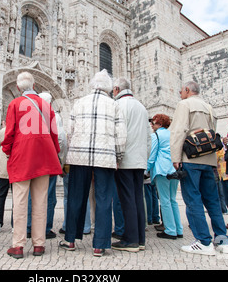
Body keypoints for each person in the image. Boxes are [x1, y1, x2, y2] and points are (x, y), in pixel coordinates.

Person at [59, 69, 127, 257]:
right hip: (105, 157)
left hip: (79, 157)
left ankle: (70, 239)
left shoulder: (79, 103)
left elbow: (70, 131)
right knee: (104, 199)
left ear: (92, 85)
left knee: (75, 197)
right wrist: (118, 157)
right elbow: (120, 135)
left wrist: (72, 151)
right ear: (107, 87)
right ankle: (100, 245)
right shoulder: (114, 105)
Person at [2, 71, 62, 259]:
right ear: (35, 86)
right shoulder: (46, 106)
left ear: (19, 88)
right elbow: (54, 134)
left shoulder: (15, 103)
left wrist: (7, 150)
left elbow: (9, 132)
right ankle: (39, 244)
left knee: (20, 201)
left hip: (22, 156)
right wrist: (55, 151)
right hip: (44, 157)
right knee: (40, 201)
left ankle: (18, 245)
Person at [170, 81, 228, 256]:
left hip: (191, 158)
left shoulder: (184, 104)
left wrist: (175, 158)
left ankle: (203, 242)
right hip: (209, 160)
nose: (180, 93)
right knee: (212, 200)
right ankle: (222, 240)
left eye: (181, 90)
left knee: (193, 199)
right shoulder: (209, 107)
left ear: (188, 90)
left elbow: (179, 131)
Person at [111, 78, 149, 252]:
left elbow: (119, 134)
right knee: (137, 199)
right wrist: (145, 160)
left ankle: (130, 240)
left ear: (117, 88)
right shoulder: (141, 107)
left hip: (125, 160)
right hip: (140, 161)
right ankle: (140, 238)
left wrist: (116, 158)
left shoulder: (119, 105)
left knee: (126, 199)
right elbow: (148, 138)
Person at [26, 92, 67, 239]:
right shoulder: (53, 116)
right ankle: (45, 228)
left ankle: (29, 227)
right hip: (48, 160)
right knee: (48, 195)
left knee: (32, 193)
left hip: (31, 160)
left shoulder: (29, 114)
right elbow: (61, 138)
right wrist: (59, 159)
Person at [147, 114, 183, 240]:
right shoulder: (171, 134)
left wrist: (147, 169)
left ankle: (170, 230)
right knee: (173, 200)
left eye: (154, 122)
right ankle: (178, 229)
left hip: (162, 170)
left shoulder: (156, 135)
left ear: (160, 124)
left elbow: (152, 154)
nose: (152, 124)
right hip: (174, 170)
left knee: (164, 200)